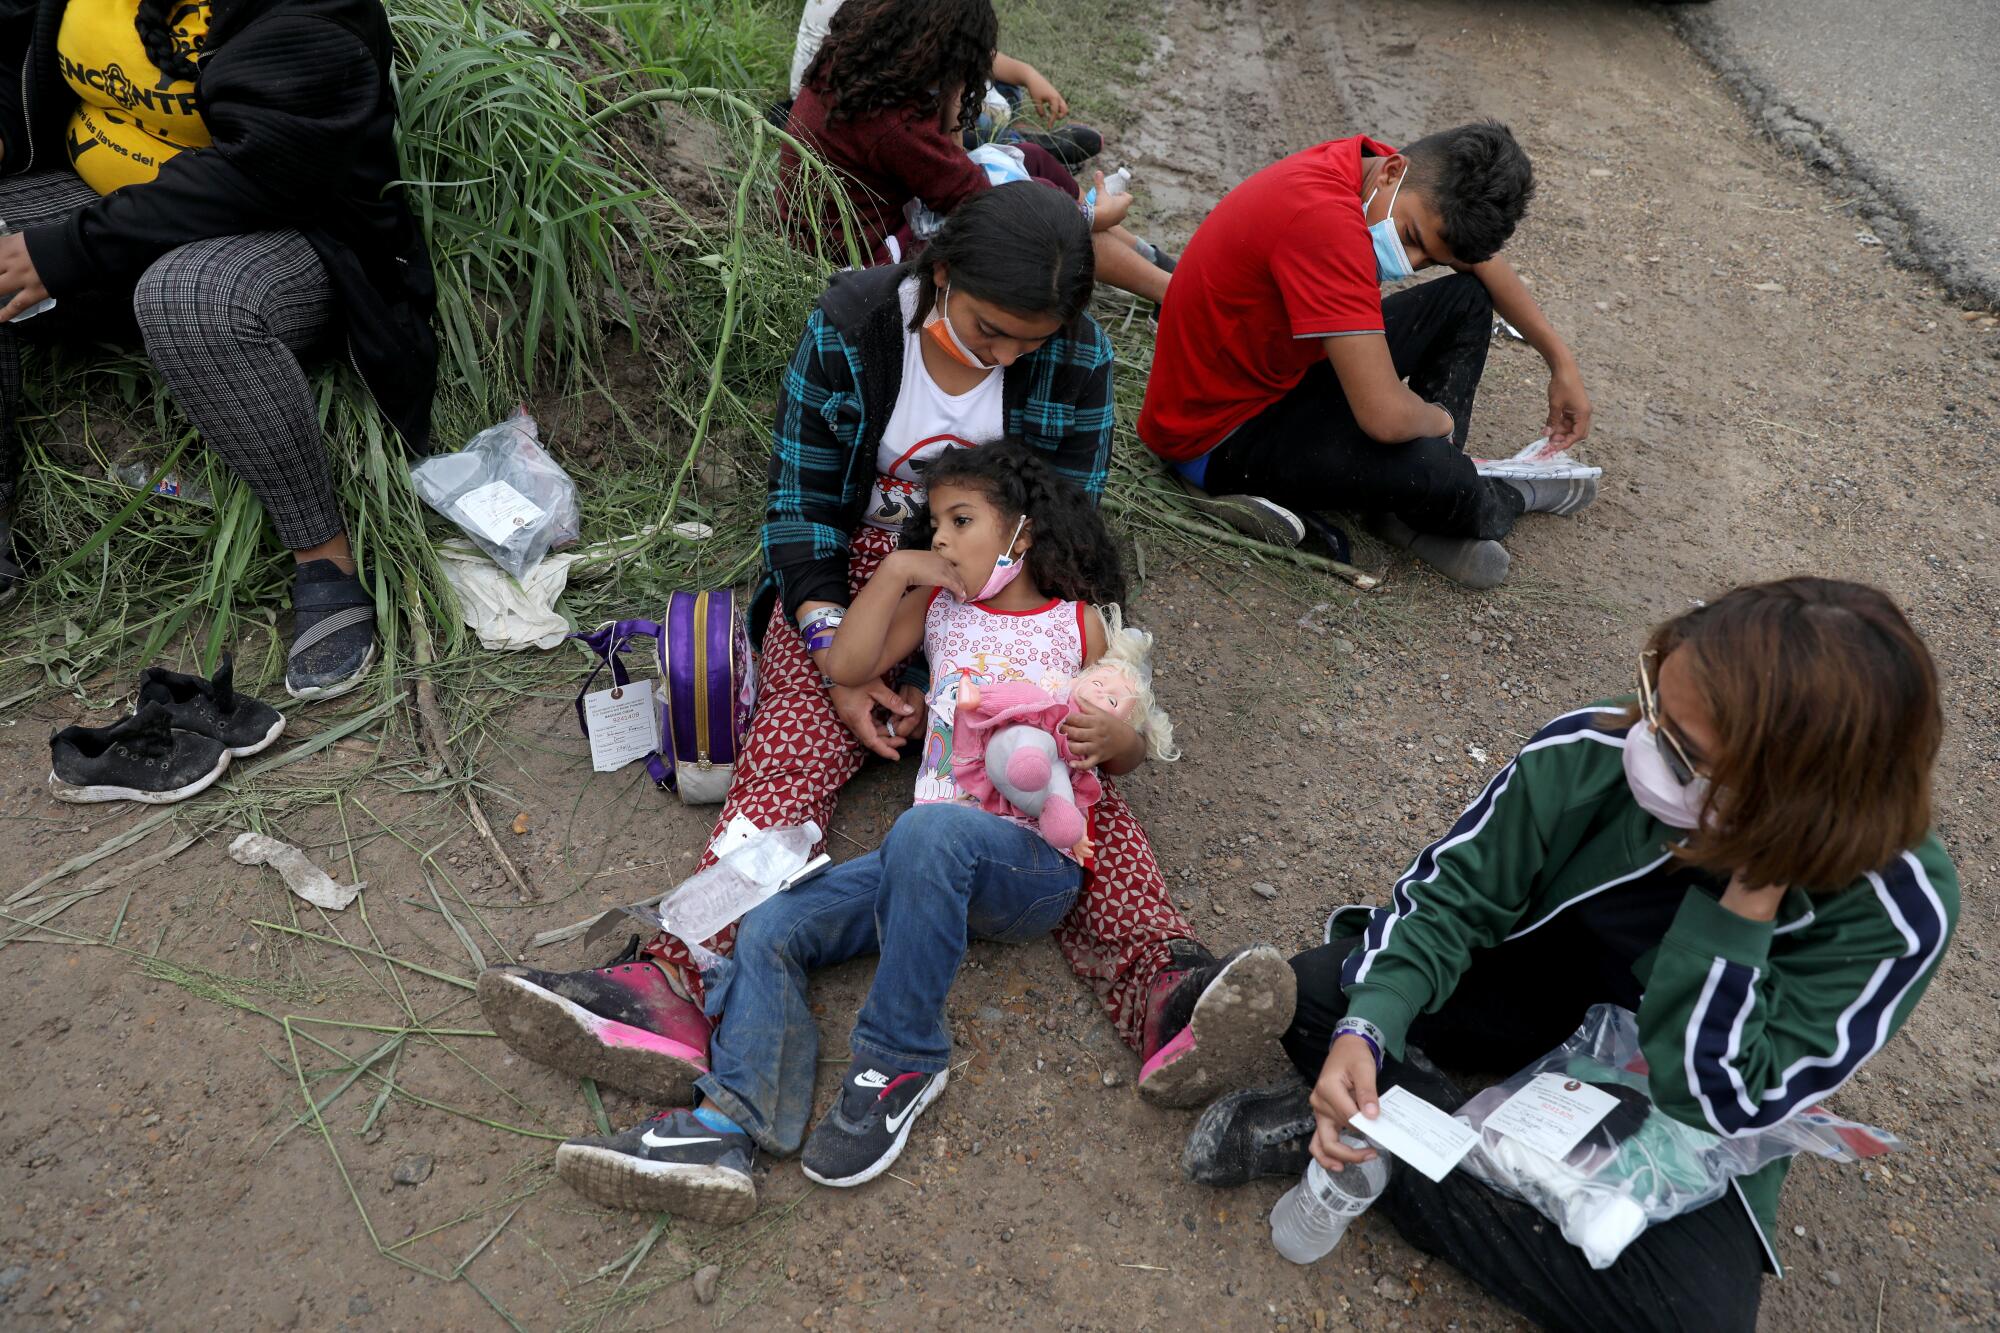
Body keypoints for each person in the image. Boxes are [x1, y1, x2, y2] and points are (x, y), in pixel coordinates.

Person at [476, 185, 1293, 1144]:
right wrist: (835, 658)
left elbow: (1069, 526)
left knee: (1064, 778)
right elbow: (801, 512)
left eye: (1029, 344)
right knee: (785, 753)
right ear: (940, 274)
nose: (1007, 358)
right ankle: (675, 978)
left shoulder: (1075, 357)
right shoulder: (857, 324)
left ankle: (1166, 988)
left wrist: (1051, 667)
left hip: (999, 593)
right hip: (863, 584)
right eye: (992, 332)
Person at [1183, 578, 1957, 1332]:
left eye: (1684, 754)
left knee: (1692, 1314)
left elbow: (1723, 1099)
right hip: (1540, 994)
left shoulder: (1898, 909)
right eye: (1655, 700)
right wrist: (1367, 1032)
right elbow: (1449, 900)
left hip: (1676, 1105)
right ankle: (1407, 1132)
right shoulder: (1592, 747)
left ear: (1791, 802)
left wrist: (1753, 890)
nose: (1645, 742)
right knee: (1325, 994)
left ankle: (1386, 1149)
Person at [556, 444, 1190, 1217]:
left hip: (1031, 866)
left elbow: (1131, 743)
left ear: (1021, 535)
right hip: (926, 861)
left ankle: (900, 1058)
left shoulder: (1079, 625)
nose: (944, 540)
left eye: (962, 521)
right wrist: (897, 572)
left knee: (927, 833)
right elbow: (850, 664)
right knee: (777, 922)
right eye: (935, 524)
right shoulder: (942, 609)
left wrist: (1113, 742)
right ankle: (727, 1124)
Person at [0, 0, 436, 698]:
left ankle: (325, 562)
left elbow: (263, 173)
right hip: (100, 202)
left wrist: (67, 250)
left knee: (187, 300)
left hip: (280, 234)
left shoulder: (312, 12)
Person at [1137, 123, 1594, 588]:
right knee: (1438, 470)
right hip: (1215, 435)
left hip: (1282, 371)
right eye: (1412, 237)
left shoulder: (1373, 173)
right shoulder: (1328, 225)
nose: (1411, 263)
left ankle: (1407, 499)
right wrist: (1440, 422)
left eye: (1430, 259)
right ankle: (1498, 490)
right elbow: (1384, 418)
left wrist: (1560, 362)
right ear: (1393, 172)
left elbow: (1481, 264)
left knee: (1467, 301)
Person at [778, 0, 1171, 303]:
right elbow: (990, 202)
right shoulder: (894, 126)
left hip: (886, 218)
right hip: (866, 260)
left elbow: (958, 155)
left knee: (1031, 160)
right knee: (1043, 215)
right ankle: (1170, 293)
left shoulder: (858, 68)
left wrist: (950, 93)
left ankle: (1144, 255)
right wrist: (1086, 217)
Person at [786, 0, 1101, 167]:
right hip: (864, 98)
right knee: (983, 113)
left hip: (879, 83)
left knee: (1007, 90)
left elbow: (958, 43)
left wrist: (1027, 72)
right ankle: (1020, 147)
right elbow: (963, 191)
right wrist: (954, 128)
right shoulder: (896, 128)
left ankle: (1012, 144)